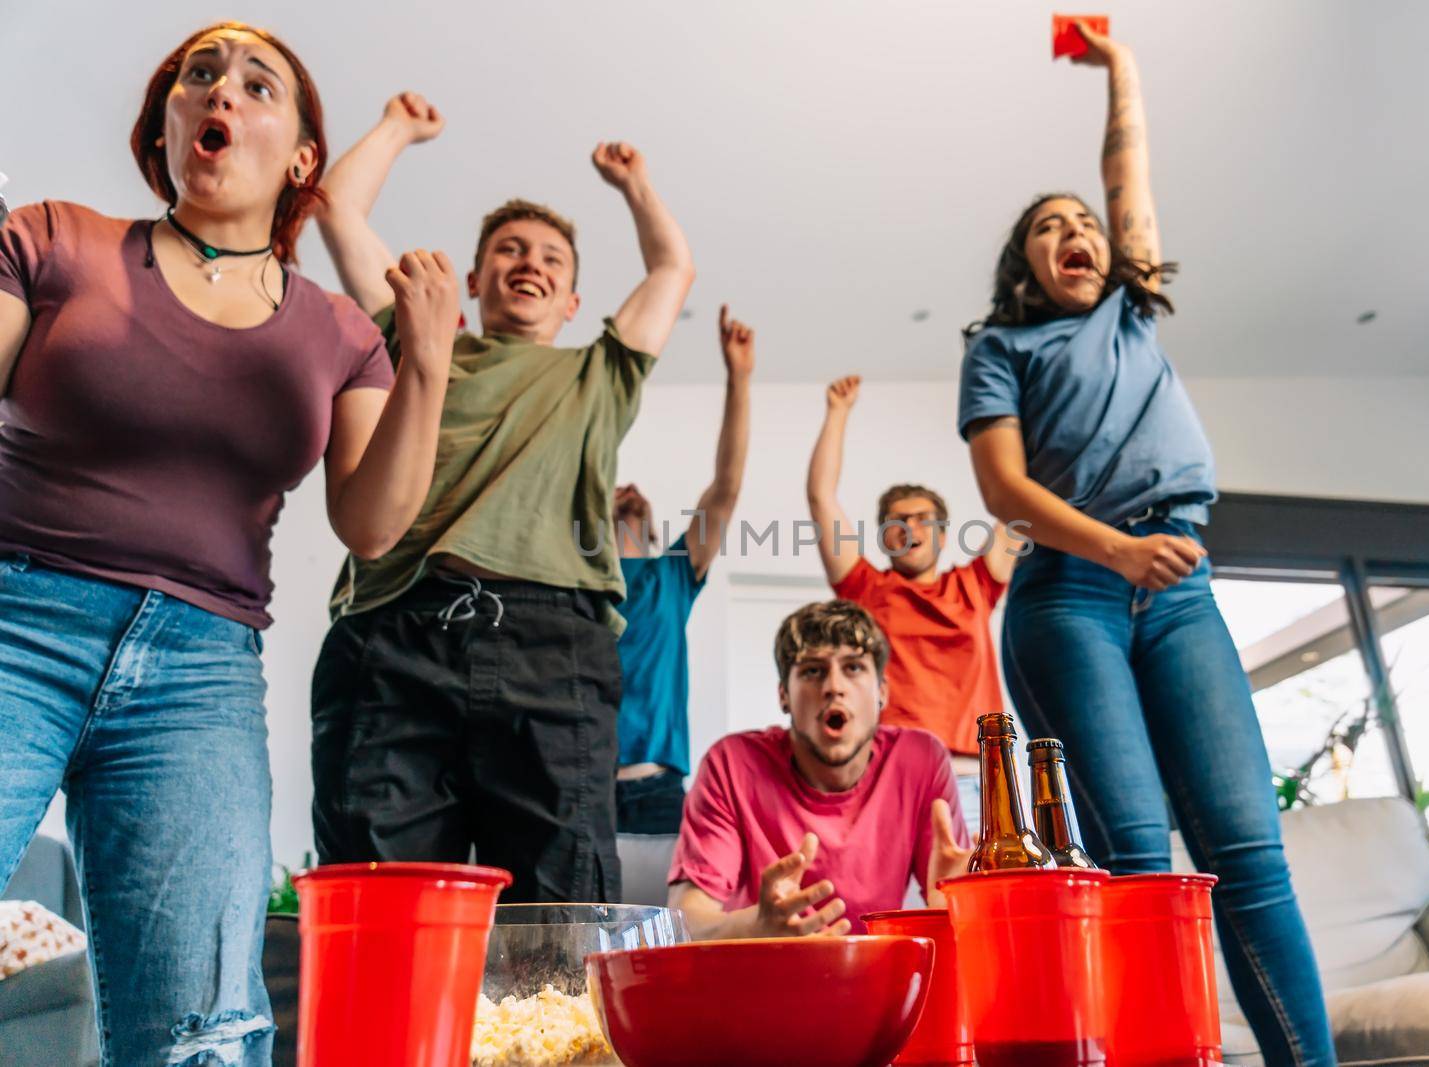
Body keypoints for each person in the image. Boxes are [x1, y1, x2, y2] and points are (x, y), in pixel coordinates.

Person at [0, 24, 457, 1065]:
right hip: (18, 616)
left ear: (300, 158)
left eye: (258, 83)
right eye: (197, 75)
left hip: (198, 673)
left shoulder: (340, 332)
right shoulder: (54, 239)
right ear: (165, 129)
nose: (221, 90)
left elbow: (374, 524)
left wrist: (426, 361)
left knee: (200, 1031)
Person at [958, 23, 1337, 1065]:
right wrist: (1117, 553)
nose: (1076, 230)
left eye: (1085, 222)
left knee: (1249, 856)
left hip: (1179, 592)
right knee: (1136, 857)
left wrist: (1120, 68)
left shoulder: (1131, 312)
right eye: (1049, 228)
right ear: (1025, 267)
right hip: (1069, 596)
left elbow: (1125, 173)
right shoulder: (1001, 347)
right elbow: (1004, 489)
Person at [309, 92, 694, 903]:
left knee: (561, 914)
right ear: (476, 278)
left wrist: (637, 186)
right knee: (384, 907)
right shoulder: (422, 341)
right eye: (511, 249)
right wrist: (397, 129)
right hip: (398, 633)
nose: (532, 262)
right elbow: (338, 208)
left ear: (573, 303)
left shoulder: (600, 372)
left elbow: (671, 270)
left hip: (554, 654)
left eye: (552, 258)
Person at [667, 600, 971, 939]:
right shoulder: (731, 765)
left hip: (878, 979)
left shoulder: (921, 760)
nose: (833, 687)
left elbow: (950, 902)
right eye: (812, 670)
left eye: (853, 668)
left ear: (881, 692)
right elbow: (687, 921)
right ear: (784, 695)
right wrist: (757, 927)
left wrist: (966, 901)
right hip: (765, 979)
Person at [806, 374, 1025, 829]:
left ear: (944, 533)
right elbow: (821, 497)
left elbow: (1017, 504)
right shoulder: (865, 590)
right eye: (897, 520)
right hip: (895, 775)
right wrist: (837, 414)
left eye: (923, 519)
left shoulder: (976, 586)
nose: (910, 528)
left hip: (977, 781)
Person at [613, 305, 753, 834]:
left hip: (656, 791)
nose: (628, 491)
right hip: (579, 784)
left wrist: (738, 380)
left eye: (636, 495)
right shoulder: (574, 584)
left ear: (652, 528)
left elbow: (725, 489)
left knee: (662, 919)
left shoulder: (671, 576)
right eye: (614, 491)